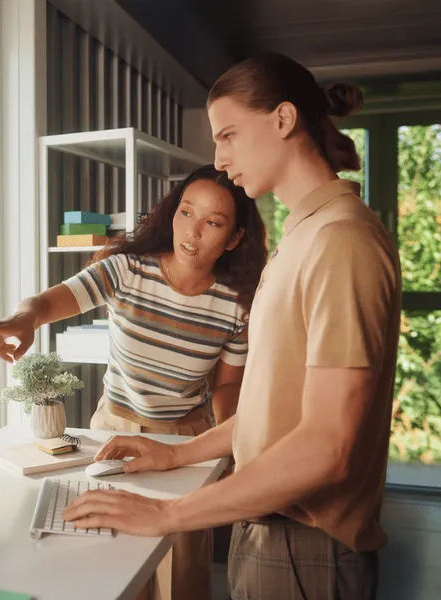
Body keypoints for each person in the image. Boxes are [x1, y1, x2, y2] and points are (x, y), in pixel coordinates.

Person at [62, 52, 403, 600]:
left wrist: (168, 514)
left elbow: (327, 446)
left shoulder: (340, 240)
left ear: (284, 119)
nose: (219, 161)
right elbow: (273, 415)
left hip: (304, 547)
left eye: (228, 136)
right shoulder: (303, 235)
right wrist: (174, 454)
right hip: (271, 530)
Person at [0, 164, 267, 600]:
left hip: (184, 443)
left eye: (213, 223)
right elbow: (46, 302)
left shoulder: (237, 306)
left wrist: (231, 442)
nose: (193, 232)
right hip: (112, 433)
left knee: (181, 572)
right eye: (186, 213)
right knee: (110, 567)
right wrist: (25, 318)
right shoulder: (124, 270)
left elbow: (227, 387)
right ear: (172, 213)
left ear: (233, 239)